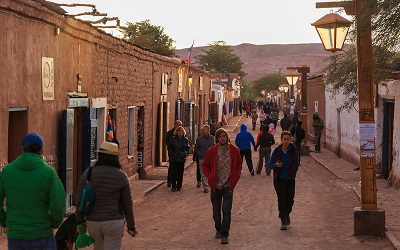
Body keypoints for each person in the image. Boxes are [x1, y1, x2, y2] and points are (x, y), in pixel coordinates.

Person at [0, 133, 66, 250]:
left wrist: (4, 221)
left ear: (22, 149)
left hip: (16, 236)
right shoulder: (48, 173)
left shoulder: (7, 171)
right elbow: (58, 204)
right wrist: (54, 223)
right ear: (42, 151)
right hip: (42, 234)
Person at [76, 141, 137, 250]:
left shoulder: (89, 173)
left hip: (93, 221)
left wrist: (80, 221)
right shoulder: (121, 176)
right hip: (113, 222)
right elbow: (127, 204)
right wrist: (131, 225)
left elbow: (80, 199)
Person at [202, 128, 242, 245]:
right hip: (216, 185)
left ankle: (225, 234)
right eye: (220, 137)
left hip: (228, 185)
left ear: (227, 137)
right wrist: (210, 177)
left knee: (226, 210)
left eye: (224, 136)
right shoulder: (212, 151)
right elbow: (205, 165)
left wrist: (236, 176)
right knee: (216, 211)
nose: (222, 138)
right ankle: (218, 229)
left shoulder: (234, 150)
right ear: (217, 139)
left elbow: (239, 164)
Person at [268, 131, 299, 230]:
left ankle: (287, 213)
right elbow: (270, 164)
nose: (286, 141)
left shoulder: (294, 151)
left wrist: (293, 170)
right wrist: (275, 165)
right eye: (284, 139)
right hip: (279, 179)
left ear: (290, 140)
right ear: (281, 140)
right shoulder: (277, 151)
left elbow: (297, 163)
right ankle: (283, 220)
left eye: (288, 139)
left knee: (290, 200)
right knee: (282, 199)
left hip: (290, 178)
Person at [168, 126, 191, 192]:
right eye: (179, 130)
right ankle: (173, 186)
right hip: (174, 159)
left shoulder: (185, 139)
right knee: (173, 173)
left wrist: (185, 153)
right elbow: (170, 148)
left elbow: (188, 148)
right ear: (177, 132)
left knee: (180, 173)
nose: (181, 132)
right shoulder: (173, 139)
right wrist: (171, 155)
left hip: (181, 159)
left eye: (182, 131)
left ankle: (179, 186)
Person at [194, 125, 215, 193]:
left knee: (211, 171)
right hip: (202, 158)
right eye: (203, 130)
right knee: (203, 172)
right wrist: (200, 154)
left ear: (209, 130)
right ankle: (205, 187)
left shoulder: (213, 138)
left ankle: (211, 184)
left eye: (205, 130)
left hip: (211, 158)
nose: (204, 131)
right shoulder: (199, 139)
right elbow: (196, 148)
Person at [165, 120, 183, 187]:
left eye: (181, 125)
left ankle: (177, 183)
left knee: (179, 169)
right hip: (172, 154)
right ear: (175, 125)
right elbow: (167, 142)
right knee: (172, 167)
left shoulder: (182, 133)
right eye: (179, 125)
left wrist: (184, 153)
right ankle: (170, 180)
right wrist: (171, 152)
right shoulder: (170, 133)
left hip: (180, 155)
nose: (180, 127)